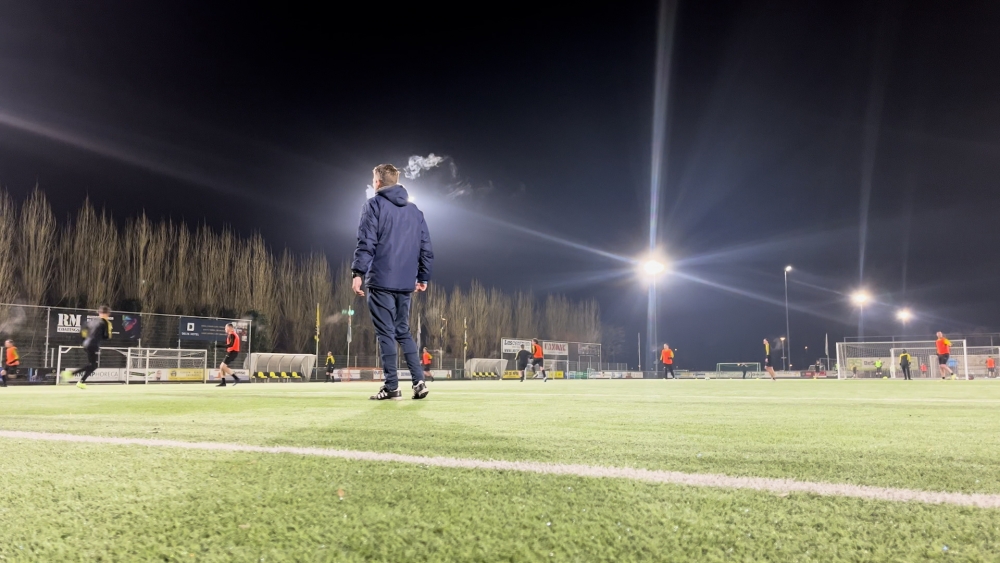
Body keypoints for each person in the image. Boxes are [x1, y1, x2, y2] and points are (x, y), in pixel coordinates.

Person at [352, 164, 433, 401]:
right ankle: (419, 382)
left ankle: (391, 387)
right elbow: (426, 248)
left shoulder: (373, 205)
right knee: (403, 332)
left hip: (381, 280)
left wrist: (358, 272)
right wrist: (423, 276)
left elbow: (366, 242)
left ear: (377, 182)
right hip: (405, 283)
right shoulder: (416, 212)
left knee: (385, 333)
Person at [62, 306, 112, 389]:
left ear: (99, 313)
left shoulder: (92, 321)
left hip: (86, 344)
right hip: (93, 344)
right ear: (108, 314)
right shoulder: (106, 322)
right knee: (93, 365)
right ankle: (71, 374)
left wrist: (85, 340)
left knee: (92, 365)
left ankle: (81, 382)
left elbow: (83, 332)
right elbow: (106, 336)